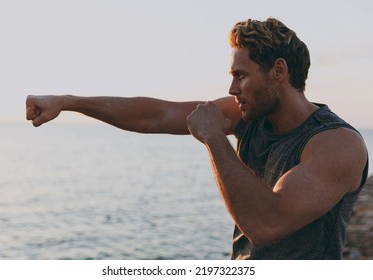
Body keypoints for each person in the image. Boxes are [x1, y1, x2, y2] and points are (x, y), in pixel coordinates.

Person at [26, 17, 369, 259]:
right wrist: (69, 102)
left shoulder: (336, 144)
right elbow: (156, 115)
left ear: (279, 71)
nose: (232, 89)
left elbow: (267, 224)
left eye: (241, 76)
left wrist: (214, 138)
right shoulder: (248, 115)